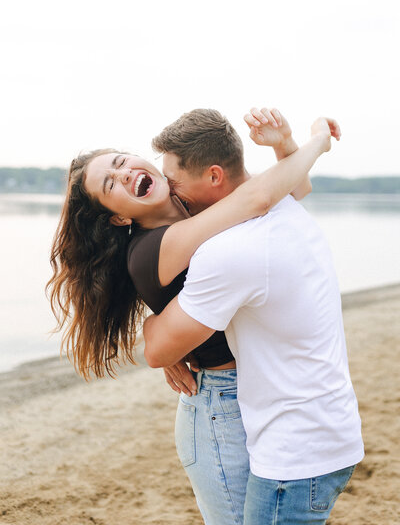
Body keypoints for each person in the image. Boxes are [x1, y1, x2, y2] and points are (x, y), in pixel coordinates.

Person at [47, 107, 338, 525]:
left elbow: (295, 188)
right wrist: (316, 142)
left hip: (254, 390)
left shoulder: (194, 208)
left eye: (121, 161)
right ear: (119, 216)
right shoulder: (152, 248)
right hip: (220, 403)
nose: (125, 172)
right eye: (110, 183)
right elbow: (258, 198)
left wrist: (284, 146)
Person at [143, 114, 364, 524]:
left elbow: (157, 351)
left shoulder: (232, 249)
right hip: (328, 429)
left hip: (294, 453)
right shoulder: (279, 200)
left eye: (174, 184)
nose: (172, 196)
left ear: (213, 176)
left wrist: (149, 323)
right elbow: (300, 183)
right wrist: (294, 145)